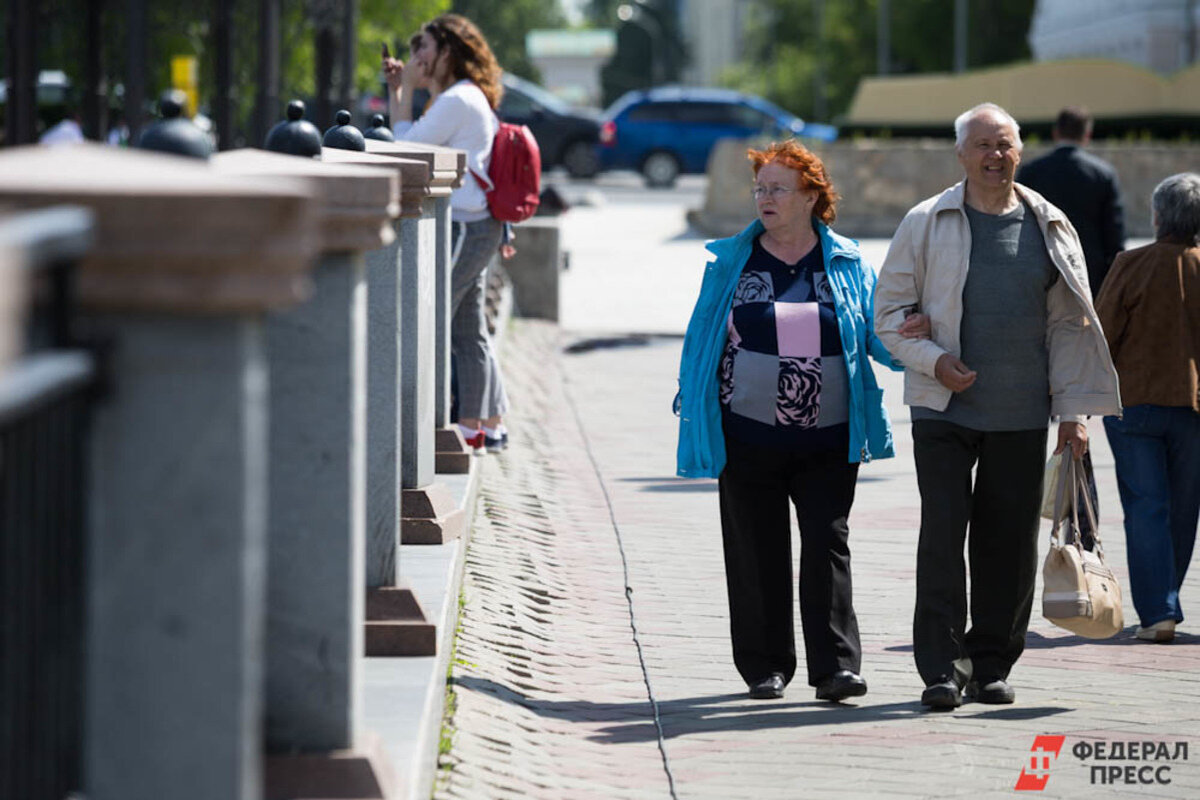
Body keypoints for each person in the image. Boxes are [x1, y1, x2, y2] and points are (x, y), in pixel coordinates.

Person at [874, 103, 1121, 709]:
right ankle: (940, 668)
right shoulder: (926, 221)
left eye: (1005, 145)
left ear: (1019, 150)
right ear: (960, 154)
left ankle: (990, 666)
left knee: (1008, 544)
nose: (995, 156)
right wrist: (935, 361)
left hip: (1021, 412)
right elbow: (887, 318)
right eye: (982, 145)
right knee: (942, 536)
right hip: (942, 408)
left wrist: (1074, 414)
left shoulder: (1049, 222)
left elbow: (1070, 326)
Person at [676, 140, 925, 702]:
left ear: (811, 196)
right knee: (756, 550)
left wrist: (911, 336)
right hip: (746, 434)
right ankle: (765, 666)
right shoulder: (732, 260)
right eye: (760, 188)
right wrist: (693, 408)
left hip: (830, 436)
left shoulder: (846, 261)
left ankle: (836, 666)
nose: (764, 197)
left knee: (827, 543)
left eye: (777, 188)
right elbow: (702, 340)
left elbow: (873, 339)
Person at [384, 13, 509, 453]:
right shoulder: (462, 96)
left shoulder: (458, 100)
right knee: (466, 327)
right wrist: (403, 92)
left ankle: (453, 428)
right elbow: (414, 141)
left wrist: (406, 93)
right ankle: (485, 425)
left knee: (432, 319)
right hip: (475, 225)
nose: (416, 56)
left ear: (448, 53)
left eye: (425, 48)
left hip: (465, 226)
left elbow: (405, 150)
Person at [1095, 173, 1200, 644]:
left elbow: (1103, 333)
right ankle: (1164, 604)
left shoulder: (1130, 264)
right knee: (1183, 507)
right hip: (1193, 406)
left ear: (1157, 216)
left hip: (1133, 404)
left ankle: (1158, 610)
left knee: (1145, 507)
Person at [1016, 106, 1126, 297]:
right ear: (1088, 134)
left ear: (1055, 132)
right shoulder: (1103, 174)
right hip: (1090, 270)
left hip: (1042, 265)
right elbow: (1114, 231)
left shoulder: (1031, 172)